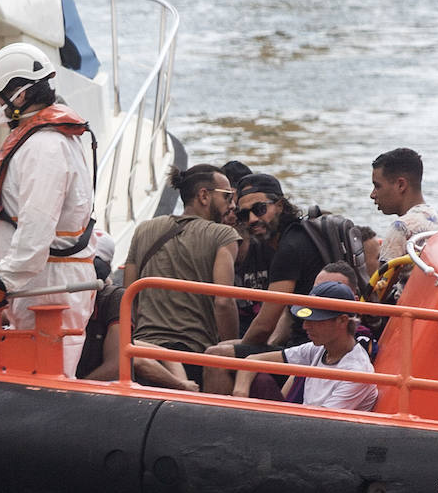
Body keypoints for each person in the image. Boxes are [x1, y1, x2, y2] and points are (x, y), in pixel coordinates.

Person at [0, 42, 97, 378]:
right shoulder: (49, 140)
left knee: (46, 377)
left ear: (21, 95)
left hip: (46, 284)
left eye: (0, 97)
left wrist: (1, 283)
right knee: (39, 374)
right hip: (43, 280)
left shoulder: (44, 146)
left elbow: (36, 229)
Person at [122, 164, 240, 388]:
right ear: (204, 196)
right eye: (227, 197)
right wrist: (229, 348)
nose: (232, 206)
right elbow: (224, 302)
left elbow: (129, 296)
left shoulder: (144, 229)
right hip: (193, 352)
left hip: (144, 349)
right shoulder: (224, 235)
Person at [201, 173, 310, 394]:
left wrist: (241, 349)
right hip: (305, 343)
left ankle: (216, 424)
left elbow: (265, 324)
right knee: (224, 348)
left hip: (305, 350)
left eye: (259, 209)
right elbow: (287, 315)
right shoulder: (299, 235)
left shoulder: (289, 249)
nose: (251, 219)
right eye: (243, 214)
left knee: (214, 357)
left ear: (279, 205)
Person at [76, 230, 199, 391]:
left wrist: (182, 386)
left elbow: (125, 363)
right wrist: (182, 385)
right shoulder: (108, 298)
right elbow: (148, 356)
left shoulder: (112, 298)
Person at [233, 281, 378, 412]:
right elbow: (252, 361)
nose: (305, 326)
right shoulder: (318, 348)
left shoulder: (357, 372)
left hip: (320, 435)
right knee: (260, 380)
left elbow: (319, 424)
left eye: (316, 320)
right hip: (306, 427)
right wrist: (241, 396)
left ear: (342, 321)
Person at [370, 148, 438, 267]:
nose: (372, 195)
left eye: (377, 186)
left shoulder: (400, 228)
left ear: (401, 185)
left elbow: (383, 283)